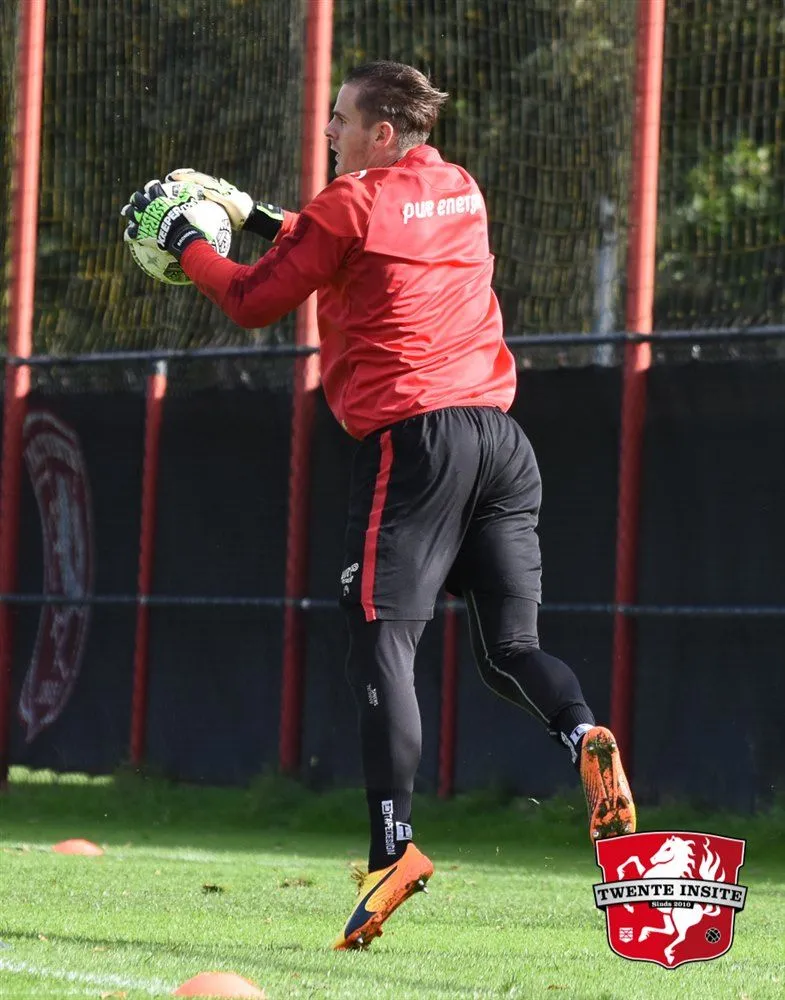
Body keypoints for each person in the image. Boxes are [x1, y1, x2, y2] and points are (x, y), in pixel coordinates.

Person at [122, 60, 636, 951]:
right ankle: (582, 731)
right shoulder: (459, 188)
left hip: (415, 443)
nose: (329, 132)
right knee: (510, 649)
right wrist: (253, 215)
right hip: (502, 442)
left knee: (382, 639)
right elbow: (348, 244)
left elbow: (253, 300)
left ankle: (392, 850)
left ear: (382, 132)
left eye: (341, 118)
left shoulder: (349, 202)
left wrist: (187, 243)